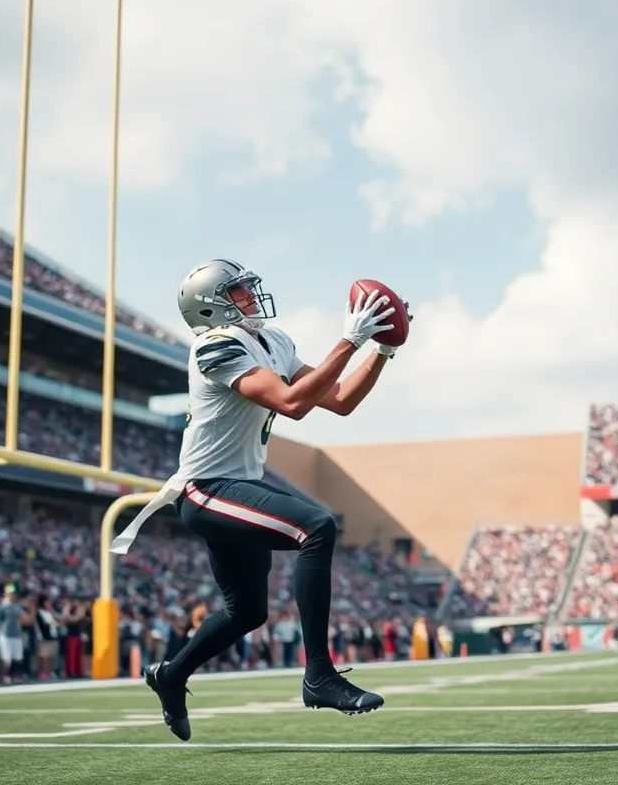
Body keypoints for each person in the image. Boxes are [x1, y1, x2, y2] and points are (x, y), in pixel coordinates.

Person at [111, 259, 407, 742]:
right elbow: (291, 404)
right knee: (317, 526)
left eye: (248, 288)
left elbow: (339, 399)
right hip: (205, 489)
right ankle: (319, 675)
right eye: (237, 292)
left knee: (247, 612)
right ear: (210, 308)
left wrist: (382, 349)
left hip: (238, 486)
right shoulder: (215, 345)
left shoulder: (273, 341)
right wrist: (349, 341)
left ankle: (171, 673)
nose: (250, 296)